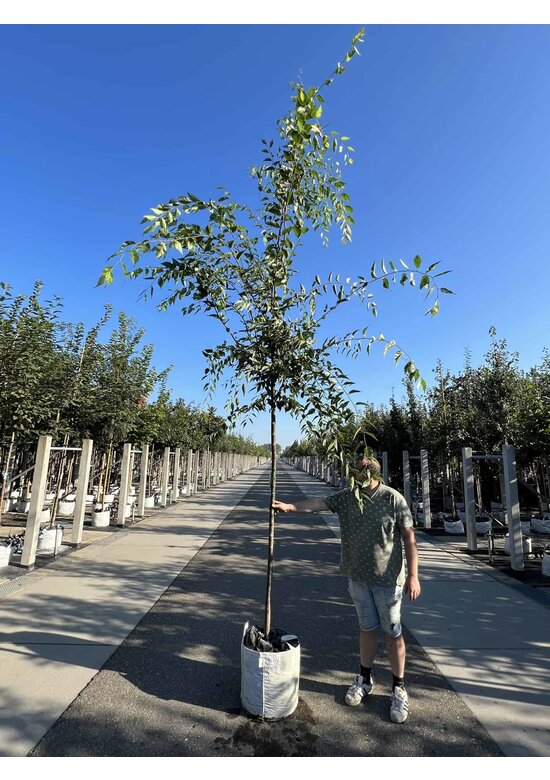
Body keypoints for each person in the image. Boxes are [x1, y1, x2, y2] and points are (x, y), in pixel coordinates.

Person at [272, 455, 421, 723]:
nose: (355, 476)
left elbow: (409, 537)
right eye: (353, 472)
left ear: (373, 473)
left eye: (359, 472)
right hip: (357, 577)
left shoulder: (392, 498)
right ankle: (364, 678)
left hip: (388, 580)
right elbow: (318, 503)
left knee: (392, 632)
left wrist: (414, 576)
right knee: (367, 628)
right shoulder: (348, 497)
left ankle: (399, 688)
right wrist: (291, 506)